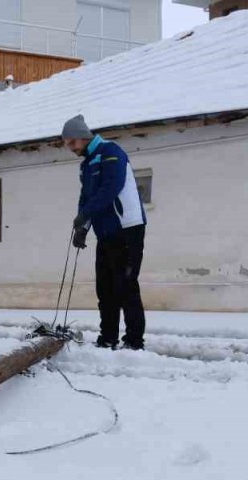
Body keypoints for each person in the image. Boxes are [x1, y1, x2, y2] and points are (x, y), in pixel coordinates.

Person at [62, 114, 147, 351]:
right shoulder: (86, 165)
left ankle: (133, 341)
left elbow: (112, 187)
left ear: (82, 137)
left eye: (71, 143)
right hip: (106, 232)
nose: (70, 148)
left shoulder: (112, 152)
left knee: (126, 286)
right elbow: (86, 198)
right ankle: (108, 338)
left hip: (127, 229)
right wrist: (83, 227)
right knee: (105, 289)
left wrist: (86, 212)